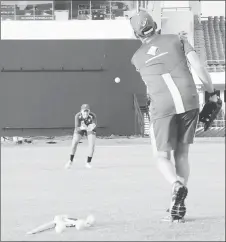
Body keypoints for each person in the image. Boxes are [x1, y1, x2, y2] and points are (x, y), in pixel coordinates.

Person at [130, 10, 219, 221]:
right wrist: (211, 93)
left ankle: (175, 185)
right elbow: (198, 67)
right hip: (189, 100)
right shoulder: (178, 38)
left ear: (136, 34)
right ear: (155, 25)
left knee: (161, 157)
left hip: (162, 105)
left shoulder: (136, 58)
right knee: (182, 154)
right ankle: (176, 208)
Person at [65, 104, 97, 169]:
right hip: (80, 128)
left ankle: (88, 162)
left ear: (89, 111)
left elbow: (94, 125)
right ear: (81, 111)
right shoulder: (77, 116)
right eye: (84, 111)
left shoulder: (92, 116)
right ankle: (71, 160)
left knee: (92, 145)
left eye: (87, 111)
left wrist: (91, 127)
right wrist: (82, 128)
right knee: (74, 142)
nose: (85, 113)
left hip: (89, 129)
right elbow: (76, 128)